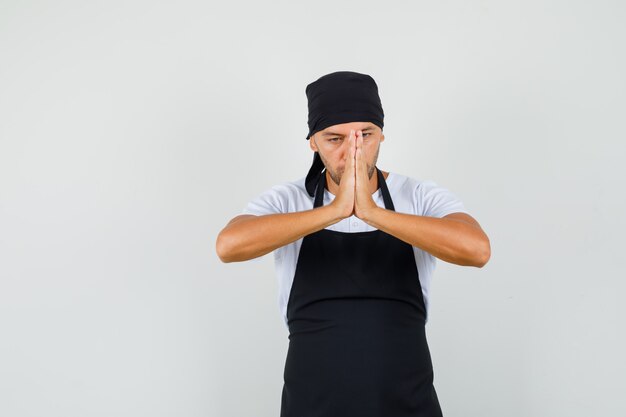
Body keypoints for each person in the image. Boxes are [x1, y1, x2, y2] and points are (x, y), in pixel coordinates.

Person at [216, 71, 491, 417]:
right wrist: (334, 211)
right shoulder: (288, 199)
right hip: (310, 406)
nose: (352, 152)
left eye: (365, 136)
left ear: (382, 136)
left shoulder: (418, 196)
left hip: (409, 405)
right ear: (312, 142)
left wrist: (373, 212)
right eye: (335, 139)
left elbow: (477, 250)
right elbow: (228, 245)